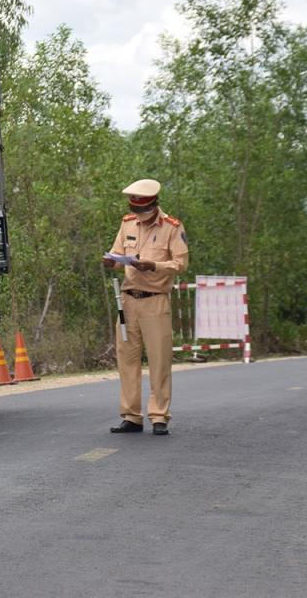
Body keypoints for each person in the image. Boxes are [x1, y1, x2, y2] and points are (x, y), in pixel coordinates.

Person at [102, 178, 189, 436]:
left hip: (155, 301)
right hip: (128, 301)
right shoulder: (127, 223)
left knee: (159, 361)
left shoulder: (172, 227)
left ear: (154, 205)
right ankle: (131, 416)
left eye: (144, 210)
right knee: (127, 360)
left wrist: (154, 265)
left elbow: (181, 263)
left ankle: (159, 416)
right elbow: (118, 255)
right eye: (136, 209)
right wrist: (112, 262)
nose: (139, 214)